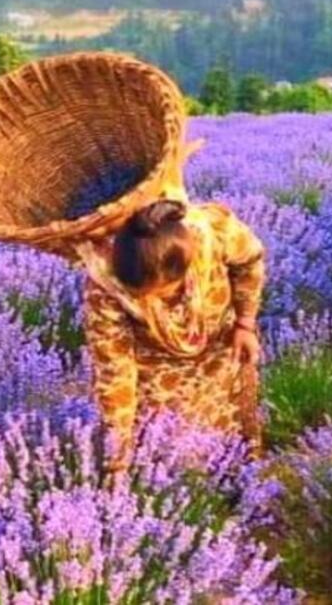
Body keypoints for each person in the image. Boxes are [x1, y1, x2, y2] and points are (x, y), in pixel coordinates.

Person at [76, 199, 266, 466]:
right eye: (142, 297)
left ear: (185, 270)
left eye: (167, 293)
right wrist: (117, 456)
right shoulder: (104, 286)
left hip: (219, 350)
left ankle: (236, 481)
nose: (158, 303)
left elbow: (250, 260)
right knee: (162, 446)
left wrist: (245, 322)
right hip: (155, 373)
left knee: (228, 431)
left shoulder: (213, 231)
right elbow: (115, 369)